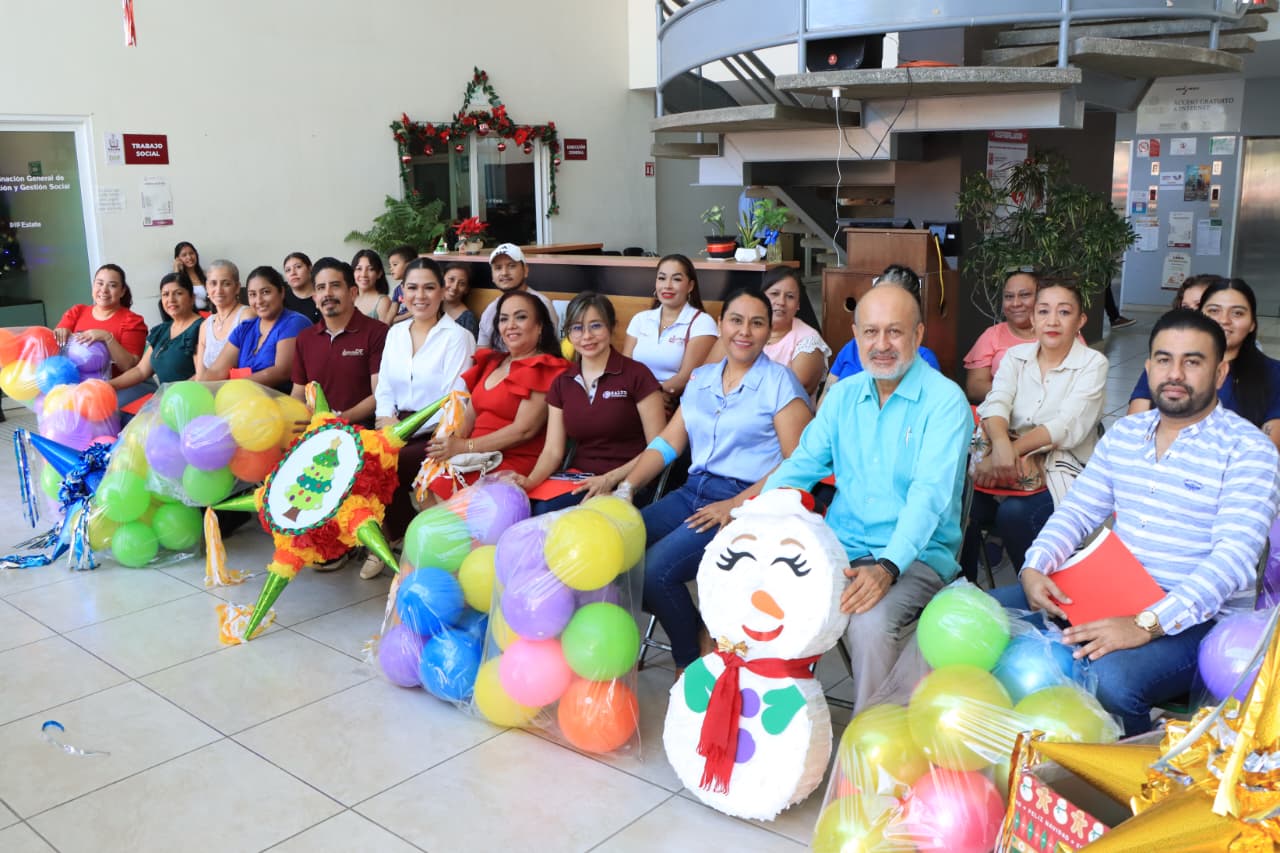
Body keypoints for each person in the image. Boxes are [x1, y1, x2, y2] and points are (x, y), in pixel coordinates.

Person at [991, 309, 1280, 735]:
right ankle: (1012, 752)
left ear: (1219, 373)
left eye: (1192, 361)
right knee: (983, 616)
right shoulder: (1126, 435)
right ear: (1148, 368)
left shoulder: (1248, 450)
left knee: (1111, 679)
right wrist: (1035, 567)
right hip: (1111, 589)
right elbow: (1077, 511)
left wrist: (1147, 623)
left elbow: (1232, 560)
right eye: (1164, 359)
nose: (1175, 373)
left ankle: (1125, 769)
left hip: (1196, 617)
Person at [763, 283, 973, 712]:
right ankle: (776, 726)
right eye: (871, 332)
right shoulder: (842, 396)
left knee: (869, 623)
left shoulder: (945, 401)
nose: (881, 345)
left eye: (895, 332)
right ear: (856, 336)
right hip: (840, 548)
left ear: (918, 335)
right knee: (766, 592)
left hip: (916, 556)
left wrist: (888, 566)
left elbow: (928, 497)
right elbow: (801, 465)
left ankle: (871, 741)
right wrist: (756, 519)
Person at [619, 288, 812, 671]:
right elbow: (669, 443)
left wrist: (736, 505)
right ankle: (700, 633)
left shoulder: (780, 383)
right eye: (736, 320)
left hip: (749, 501)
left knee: (656, 572)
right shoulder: (702, 378)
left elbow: (798, 464)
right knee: (617, 556)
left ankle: (690, 663)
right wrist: (627, 488)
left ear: (768, 330)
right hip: (693, 492)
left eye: (757, 323)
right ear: (721, 324)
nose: (745, 331)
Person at [959, 281, 1109, 581]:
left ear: (1080, 320)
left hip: (1060, 467)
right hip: (1003, 460)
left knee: (1014, 514)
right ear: (1033, 318)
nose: (1052, 321)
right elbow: (996, 402)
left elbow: (1065, 426)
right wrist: (1000, 444)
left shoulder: (1093, 363)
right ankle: (964, 592)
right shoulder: (1016, 357)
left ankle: (1033, 591)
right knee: (959, 506)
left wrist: (1009, 452)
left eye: (1064, 312)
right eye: (1043, 311)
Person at [516, 292, 666, 513]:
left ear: (611, 327)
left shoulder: (637, 375)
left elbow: (659, 447)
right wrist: (529, 482)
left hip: (630, 482)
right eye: (577, 328)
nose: (586, 336)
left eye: (596, 326)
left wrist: (610, 479)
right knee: (530, 508)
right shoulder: (563, 383)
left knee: (563, 517)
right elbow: (552, 452)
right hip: (579, 479)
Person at [374, 256, 476, 577]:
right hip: (395, 424)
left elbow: (454, 400)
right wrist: (385, 419)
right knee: (363, 459)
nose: (420, 296)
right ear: (402, 292)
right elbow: (384, 387)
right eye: (412, 288)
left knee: (390, 464)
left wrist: (408, 430)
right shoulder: (395, 333)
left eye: (429, 288)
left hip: (438, 432)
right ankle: (396, 537)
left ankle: (409, 542)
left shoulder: (457, 337)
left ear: (442, 291)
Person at [421, 290, 566, 499]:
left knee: (444, 496)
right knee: (425, 486)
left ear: (539, 326)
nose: (511, 325)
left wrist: (464, 447)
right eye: (504, 319)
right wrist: (449, 445)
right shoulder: (492, 363)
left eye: (521, 317)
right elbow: (469, 417)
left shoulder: (545, 367)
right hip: (473, 456)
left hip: (509, 459)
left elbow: (524, 430)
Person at [1128, 279, 1280, 449]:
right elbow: (1135, 431)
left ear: (1252, 323)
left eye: (1237, 313)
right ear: (1200, 315)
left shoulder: (1274, 373)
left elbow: (1268, 448)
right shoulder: (1167, 366)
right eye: (1214, 311)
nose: (1224, 320)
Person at [818, 264, 939, 408]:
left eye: (894, 331)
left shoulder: (924, 360)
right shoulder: (852, 347)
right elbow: (824, 403)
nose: (882, 345)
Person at [290, 257, 387, 428]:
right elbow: (298, 394)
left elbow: (380, 394)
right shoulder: (305, 338)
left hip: (363, 434)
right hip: (316, 432)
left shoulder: (377, 332)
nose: (327, 293)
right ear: (315, 298)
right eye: (321, 288)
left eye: (335, 286)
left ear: (353, 293)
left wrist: (337, 421)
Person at [623, 253, 719, 414]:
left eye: (676, 279)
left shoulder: (702, 322)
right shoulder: (640, 319)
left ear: (690, 286)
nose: (667, 286)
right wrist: (640, 398)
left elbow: (686, 377)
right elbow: (625, 368)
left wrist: (651, 398)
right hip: (635, 399)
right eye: (662, 278)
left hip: (674, 404)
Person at [205, 266, 311, 393]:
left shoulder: (294, 322)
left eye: (265, 292)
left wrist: (234, 388)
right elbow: (216, 371)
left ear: (282, 292)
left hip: (285, 401)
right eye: (252, 295)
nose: (259, 301)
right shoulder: (244, 329)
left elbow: (282, 371)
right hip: (246, 399)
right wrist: (198, 388)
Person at [109, 273, 204, 408]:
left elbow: (202, 375)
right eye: (165, 294)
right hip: (168, 405)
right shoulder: (162, 331)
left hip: (191, 404)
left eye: (178, 293)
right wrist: (109, 385)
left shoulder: (201, 328)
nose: (171, 299)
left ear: (192, 298)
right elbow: (141, 371)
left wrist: (172, 398)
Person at [53, 264, 148, 378]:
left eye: (112, 285)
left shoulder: (133, 321)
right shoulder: (77, 312)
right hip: (74, 383)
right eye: (100, 283)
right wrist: (60, 332)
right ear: (93, 286)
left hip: (115, 386)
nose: (104, 290)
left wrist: (107, 337)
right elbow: (56, 347)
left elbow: (129, 366)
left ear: (122, 291)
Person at [964, 270, 1039, 404]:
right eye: (1009, 296)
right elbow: (974, 388)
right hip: (1001, 410)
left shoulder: (1059, 334)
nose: (1015, 303)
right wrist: (1022, 394)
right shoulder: (992, 335)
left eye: (1024, 295)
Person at [758, 268, 832, 403]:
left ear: (798, 305)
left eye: (790, 296)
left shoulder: (808, 341)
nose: (781, 302)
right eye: (774, 294)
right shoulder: (746, 330)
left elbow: (793, 393)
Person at [476, 244, 558, 351]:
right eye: (498, 268)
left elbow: (548, 350)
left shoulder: (541, 304)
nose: (504, 273)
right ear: (492, 276)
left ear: (525, 270)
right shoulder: (490, 310)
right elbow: (482, 354)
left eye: (511, 266)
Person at [194, 260, 254, 379]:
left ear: (237, 287)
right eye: (213, 283)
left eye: (226, 284)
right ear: (206, 287)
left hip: (243, 386)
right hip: (210, 388)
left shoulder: (247, 316)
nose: (218, 290)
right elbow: (200, 375)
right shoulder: (205, 325)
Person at [351, 249, 395, 324]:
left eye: (370, 269)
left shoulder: (382, 302)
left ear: (379, 274)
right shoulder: (351, 299)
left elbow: (384, 330)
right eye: (359, 269)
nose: (363, 275)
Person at [282, 251, 321, 323]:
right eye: (288, 270)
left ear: (310, 269)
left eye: (298, 267)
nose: (293, 273)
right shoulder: (281, 298)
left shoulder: (322, 295)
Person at [442, 263, 480, 339]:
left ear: (466, 289)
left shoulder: (468, 320)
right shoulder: (431, 307)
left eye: (462, 284)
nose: (454, 287)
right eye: (451, 279)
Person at [386, 244, 418, 326]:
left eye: (395, 264)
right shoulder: (398, 290)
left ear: (410, 265)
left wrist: (397, 318)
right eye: (390, 266)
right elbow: (391, 314)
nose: (391, 268)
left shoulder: (419, 287)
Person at [173, 241, 208, 312]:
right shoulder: (177, 278)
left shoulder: (205, 274)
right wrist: (177, 271)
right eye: (184, 255)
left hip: (208, 313)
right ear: (178, 259)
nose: (189, 257)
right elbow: (176, 296)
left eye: (191, 253)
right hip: (190, 314)